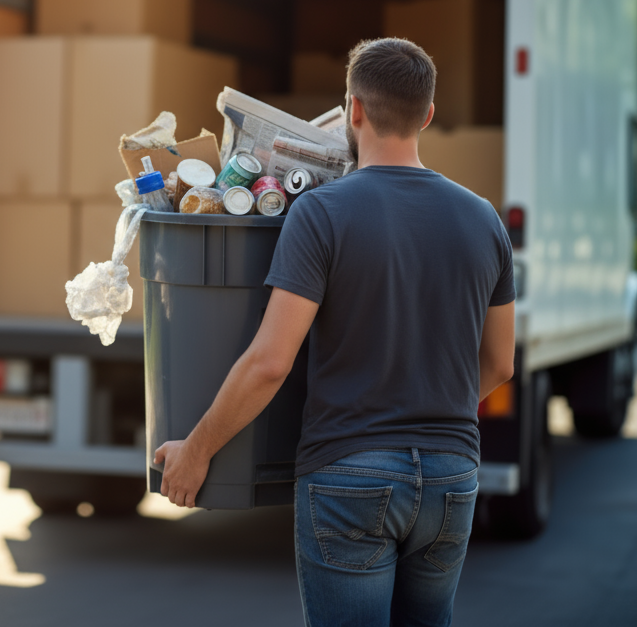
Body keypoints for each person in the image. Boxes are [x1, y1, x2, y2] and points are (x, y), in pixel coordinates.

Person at [155, 38, 516, 627]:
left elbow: (270, 362)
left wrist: (196, 452)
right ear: (427, 115)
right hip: (453, 477)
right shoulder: (482, 218)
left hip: (351, 474)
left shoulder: (321, 212)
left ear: (352, 110)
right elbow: (500, 363)